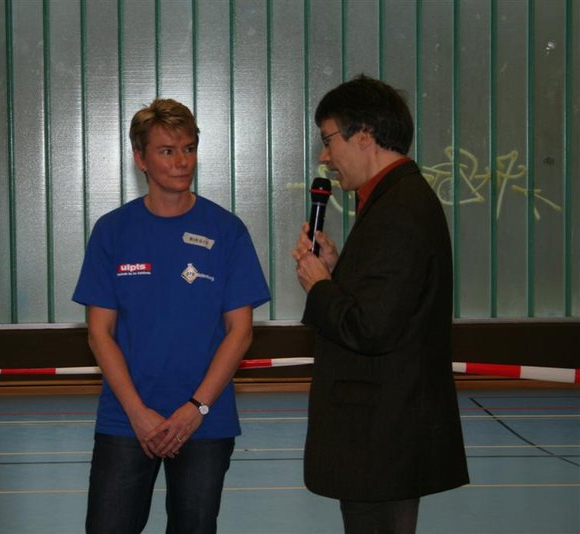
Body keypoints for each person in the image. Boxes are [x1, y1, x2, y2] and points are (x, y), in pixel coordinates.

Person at [72, 98, 270, 534]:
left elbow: (239, 332)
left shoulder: (227, 230)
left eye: (189, 149)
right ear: (140, 159)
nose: (182, 162)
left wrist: (196, 408)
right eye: (167, 151)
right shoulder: (112, 231)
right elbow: (99, 334)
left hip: (204, 422)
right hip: (126, 420)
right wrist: (138, 413)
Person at [292, 75, 469, 533]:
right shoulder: (394, 201)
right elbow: (387, 298)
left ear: (365, 135)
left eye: (328, 140)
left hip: (382, 436)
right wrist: (336, 270)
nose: (324, 157)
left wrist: (320, 286)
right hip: (382, 435)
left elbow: (371, 327)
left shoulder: (400, 209)